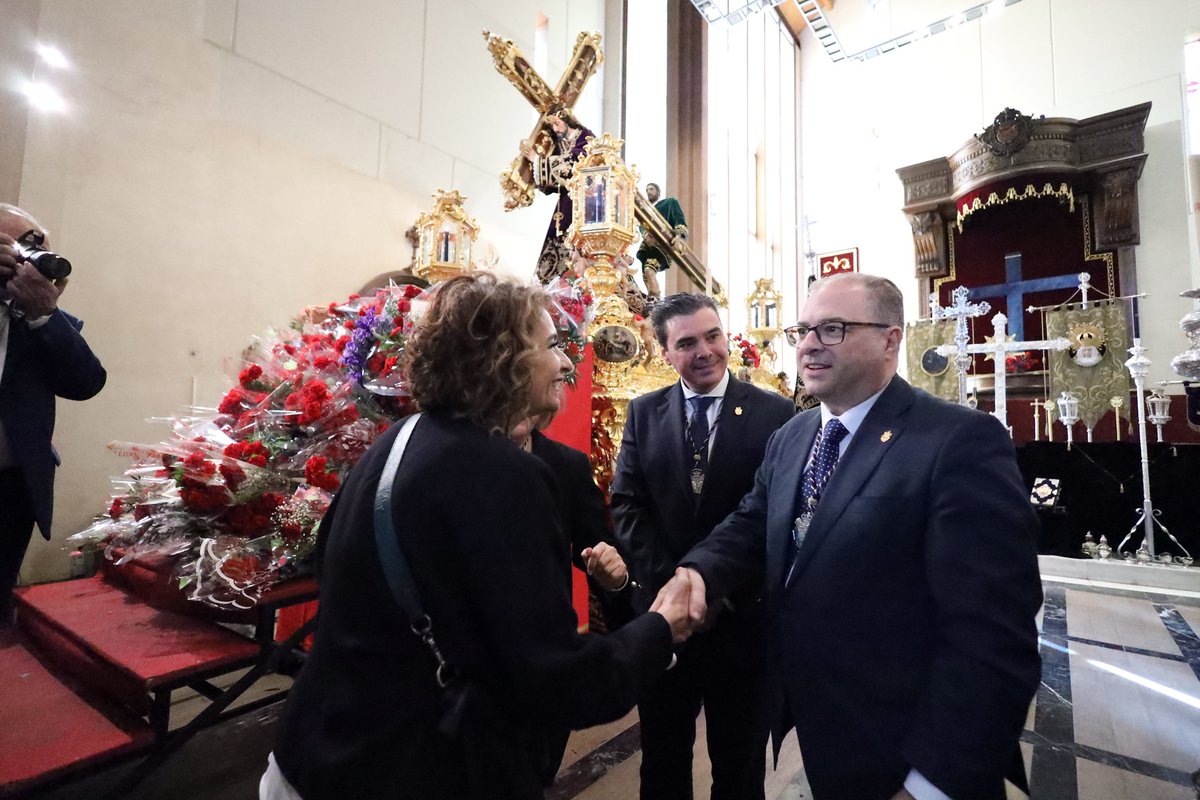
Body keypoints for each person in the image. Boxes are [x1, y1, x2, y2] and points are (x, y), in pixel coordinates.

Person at [264, 273, 695, 800]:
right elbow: (556, 681)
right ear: (504, 359)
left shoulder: (395, 442)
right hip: (407, 766)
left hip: (314, 750)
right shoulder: (502, 473)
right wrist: (659, 627)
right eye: (550, 346)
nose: (564, 364)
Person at [662, 273, 1042, 800]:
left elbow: (992, 637)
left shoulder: (958, 442)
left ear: (891, 338)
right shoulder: (793, 436)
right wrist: (699, 569)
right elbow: (752, 521)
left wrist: (930, 783)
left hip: (910, 740)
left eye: (833, 329)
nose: (810, 344)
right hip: (825, 727)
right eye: (804, 330)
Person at [611, 292, 794, 800]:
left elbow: (774, 516)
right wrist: (674, 587)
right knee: (662, 762)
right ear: (666, 352)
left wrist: (715, 590)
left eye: (712, 336)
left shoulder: (775, 413)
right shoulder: (644, 412)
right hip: (662, 622)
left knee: (739, 768)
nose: (705, 350)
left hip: (740, 620)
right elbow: (626, 504)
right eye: (687, 342)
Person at [0, 204, 106, 626]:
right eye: (9, 247)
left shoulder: (41, 321)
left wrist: (45, 314)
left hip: (13, 490)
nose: (24, 259)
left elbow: (86, 383)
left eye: (33, 247)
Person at [523, 109, 594, 283]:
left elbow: (574, 164)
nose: (555, 129)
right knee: (557, 244)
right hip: (565, 202)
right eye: (553, 125)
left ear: (568, 120)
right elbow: (552, 182)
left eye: (557, 123)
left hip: (585, 203)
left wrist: (537, 162)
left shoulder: (585, 137)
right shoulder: (561, 144)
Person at [636, 182, 688, 300]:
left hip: (662, 244)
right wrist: (645, 234)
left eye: (652, 189)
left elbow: (679, 220)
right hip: (647, 248)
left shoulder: (669, 203)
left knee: (649, 270)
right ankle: (652, 300)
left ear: (659, 193)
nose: (649, 191)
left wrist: (679, 236)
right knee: (646, 275)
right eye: (647, 189)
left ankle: (656, 298)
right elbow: (642, 226)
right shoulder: (643, 210)